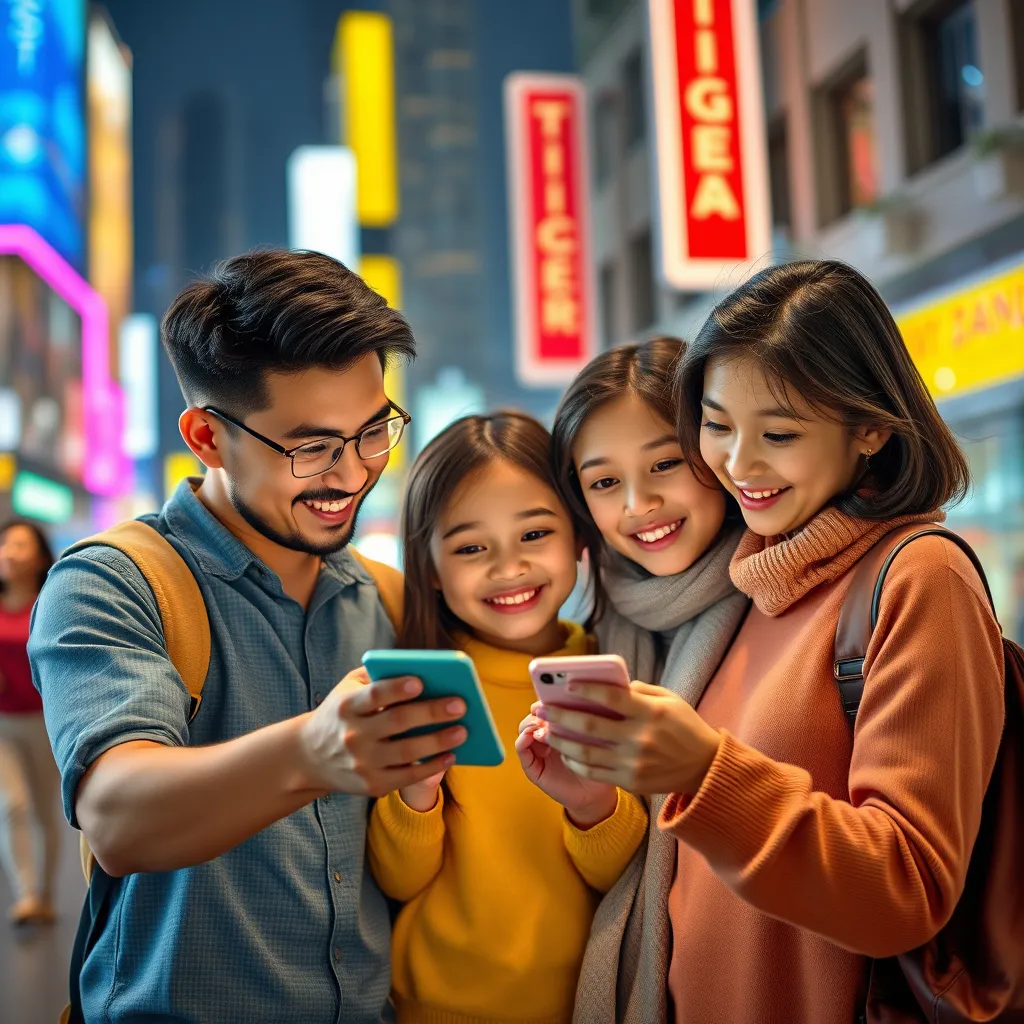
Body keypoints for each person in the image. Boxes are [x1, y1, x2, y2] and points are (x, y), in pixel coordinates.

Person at [535, 260, 1006, 1024]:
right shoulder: (759, 581)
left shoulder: (920, 577)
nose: (739, 466)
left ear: (871, 428)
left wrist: (704, 769)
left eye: (778, 434)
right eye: (716, 427)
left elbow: (907, 889)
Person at [29, 250, 468, 1024]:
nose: (353, 473)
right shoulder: (114, 582)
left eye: (374, 432)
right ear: (205, 436)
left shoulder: (389, 598)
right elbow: (119, 816)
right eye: (310, 447)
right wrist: (308, 753)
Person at [367, 411, 648, 1024]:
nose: (507, 567)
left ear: (579, 536)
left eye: (534, 534)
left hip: (587, 1003)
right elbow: (395, 881)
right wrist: (415, 793)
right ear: (432, 570)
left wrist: (594, 803)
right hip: (435, 1007)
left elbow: (626, 879)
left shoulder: (614, 670)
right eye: (470, 547)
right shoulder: (423, 688)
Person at [531, 338, 748, 1022]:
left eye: (666, 462)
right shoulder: (600, 633)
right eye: (603, 482)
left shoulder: (783, 594)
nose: (640, 502)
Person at [0, 519, 60, 927]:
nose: (8, 552)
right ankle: (25, 894)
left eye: (19, 545)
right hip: (3, 722)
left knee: (43, 811)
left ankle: (43, 894)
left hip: (44, 720)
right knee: (12, 806)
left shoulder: (51, 602)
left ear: (39, 558)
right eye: (5, 544)